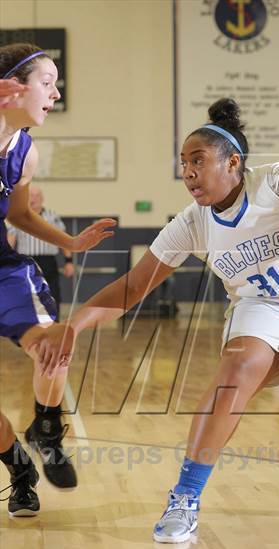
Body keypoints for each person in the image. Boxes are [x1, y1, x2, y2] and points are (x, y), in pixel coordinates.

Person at [34, 98, 279, 543]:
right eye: (182, 164)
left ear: (233, 161)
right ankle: (185, 495)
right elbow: (134, 285)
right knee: (234, 373)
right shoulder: (190, 224)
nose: (188, 172)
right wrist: (74, 324)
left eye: (197, 161)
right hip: (261, 306)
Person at [0, 43, 115, 517]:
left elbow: (20, 213)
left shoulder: (25, 151)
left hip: (2, 270)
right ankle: (18, 467)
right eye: (47, 82)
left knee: (53, 342)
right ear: (11, 88)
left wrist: (69, 242)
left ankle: (46, 428)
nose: (56, 92)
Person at [7, 185, 74, 321]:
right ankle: (31, 328)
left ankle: (54, 327)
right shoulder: (19, 216)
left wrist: (68, 262)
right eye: (31, 195)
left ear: (42, 199)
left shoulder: (52, 216)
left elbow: (63, 239)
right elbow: (11, 241)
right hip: (28, 262)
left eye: (37, 195)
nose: (34, 198)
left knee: (52, 295)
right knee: (28, 296)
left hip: (49, 261)